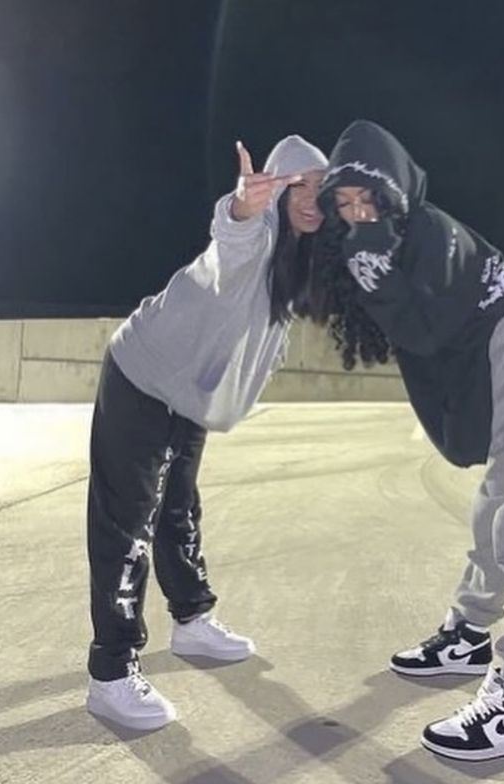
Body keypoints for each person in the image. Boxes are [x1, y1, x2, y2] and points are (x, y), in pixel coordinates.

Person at [309, 120, 504, 761]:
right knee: (492, 512)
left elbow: (428, 329)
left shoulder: (429, 233)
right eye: (345, 204)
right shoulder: (388, 247)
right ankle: (470, 634)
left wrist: (373, 258)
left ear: (397, 193)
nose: (359, 215)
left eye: (370, 200)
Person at [86, 135, 327, 731]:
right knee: (128, 523)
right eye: (302, 186)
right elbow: (232, 235)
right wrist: (243, 205)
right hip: (144, 375)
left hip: (188, 395)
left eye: (325, 189)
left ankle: (191, 622)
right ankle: (110, 674)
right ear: (280, 188)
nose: (314, 201)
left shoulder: (295, 259)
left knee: (178, 509)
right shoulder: (260, 237)